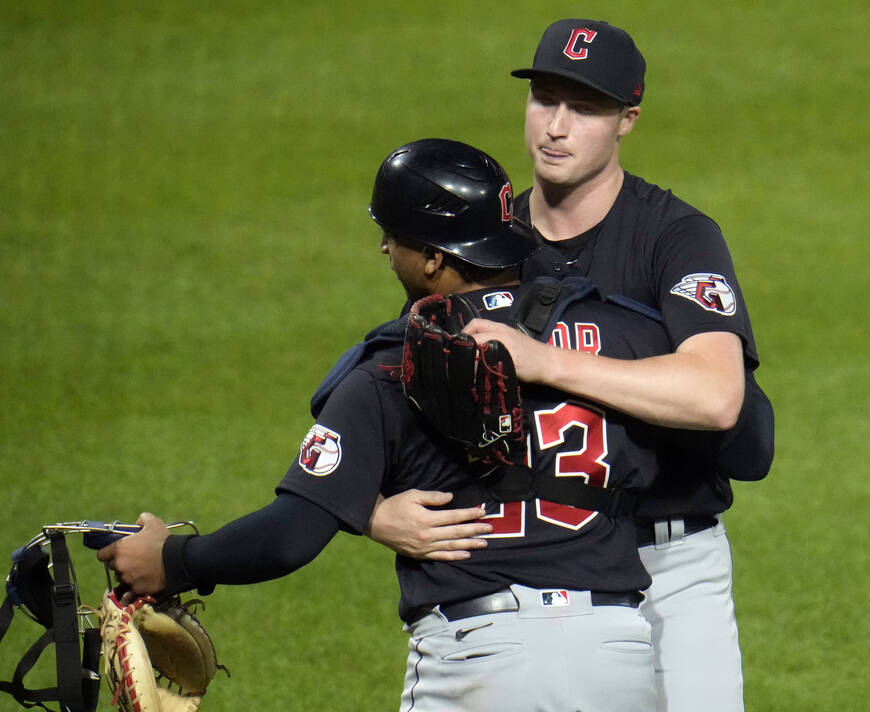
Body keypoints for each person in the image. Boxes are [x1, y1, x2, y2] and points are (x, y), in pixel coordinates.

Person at [98, 138, 698, 712]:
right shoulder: (626, 338)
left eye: (394, 235)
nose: (386, 248)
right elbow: (741, 444)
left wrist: (174, 560)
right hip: (618, 652)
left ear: (434, 258)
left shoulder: (388, 370)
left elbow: (290, 536)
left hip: (483, 657)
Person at [368, 20, 773, 712]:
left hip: (669, 561)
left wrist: (545, 361)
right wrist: (371, 509)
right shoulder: (487, 241)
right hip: (539, 567)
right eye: (544, 99)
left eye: (583, 108)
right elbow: (406, 393)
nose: (556, 127)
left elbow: (717, 398)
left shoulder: (674, 237)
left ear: (627, 120)